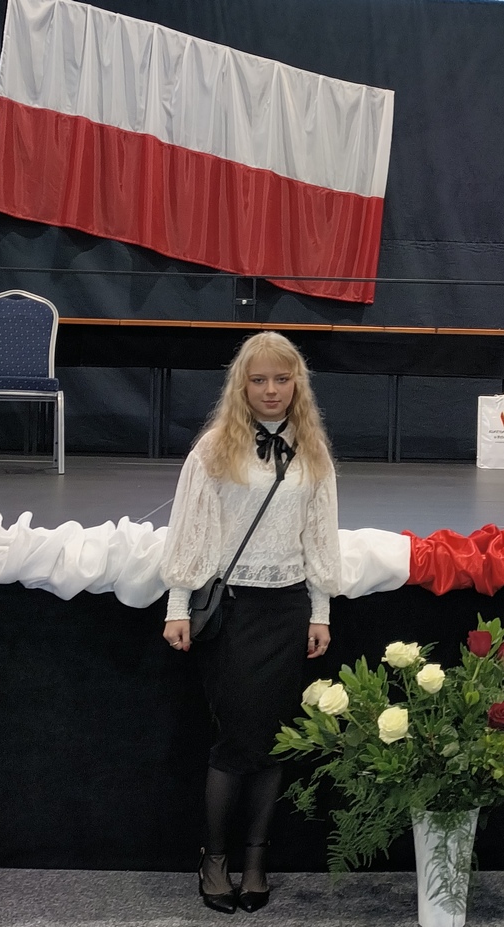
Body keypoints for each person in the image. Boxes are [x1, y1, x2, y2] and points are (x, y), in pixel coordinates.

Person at [161, 331, 340, 914]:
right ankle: (215, 858)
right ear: (241, 385)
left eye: (282, 379)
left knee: (275, 740)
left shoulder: (312, 450)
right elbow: (189, 532)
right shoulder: (214, 448)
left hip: (287, 611)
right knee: (236, 741)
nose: (271, 390)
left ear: (297, 385)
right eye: (258, 379)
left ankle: (257, 859)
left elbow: (319, 536)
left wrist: (320, 611)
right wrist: (178, 606)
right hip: (234, 613)